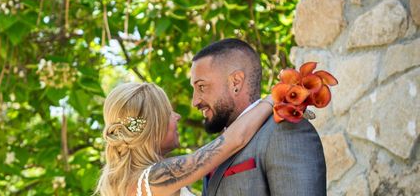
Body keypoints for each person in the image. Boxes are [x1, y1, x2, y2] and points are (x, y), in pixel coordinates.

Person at [190, 39, 326, 195]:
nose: (195, 101)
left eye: (201, 86)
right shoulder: (220, 145)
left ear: (236, 82)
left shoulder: (285, 130)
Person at [96, 81, 274, 196]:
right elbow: (235, 140)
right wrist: (273, 99)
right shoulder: (153, 178)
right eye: (168, 112)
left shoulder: (136, 182)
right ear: (153, 126)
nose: (177, 116)